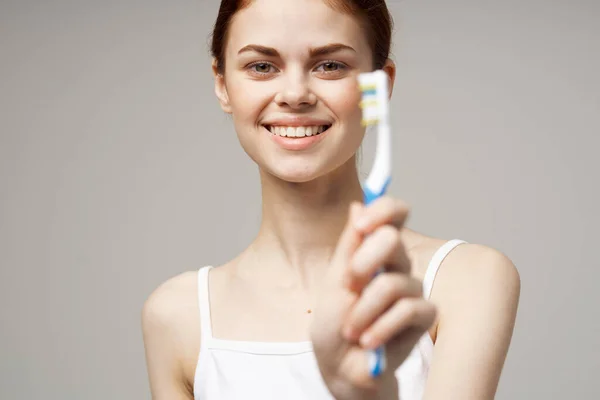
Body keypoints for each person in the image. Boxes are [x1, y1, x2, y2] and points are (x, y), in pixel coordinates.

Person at [141, 0, 521, 399]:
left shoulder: (463, 280)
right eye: (262, 66)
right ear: (223, 85)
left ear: (381, 84)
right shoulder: (177, 315)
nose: (294, 94)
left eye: (330, 65)